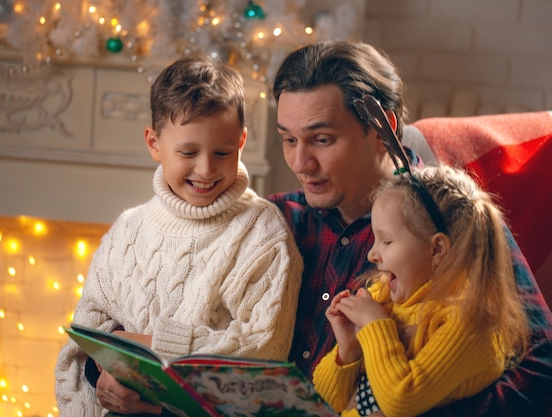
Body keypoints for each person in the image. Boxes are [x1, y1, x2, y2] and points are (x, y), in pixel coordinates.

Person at [268, 40, 552, 416]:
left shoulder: (451, 218)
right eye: (288, 139)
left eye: (322, 140)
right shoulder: (278, 219)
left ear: (383, 129)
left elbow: (540, 369)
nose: (300, 162)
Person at [55, 55, 303, 416]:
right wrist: (100, 379)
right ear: (154, 144)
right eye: (188, 152)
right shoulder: (128, 230)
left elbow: (264, 352)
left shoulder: (262, 233)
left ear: (242, 141)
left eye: (222, 152)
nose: (205, 168)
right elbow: (82, 345)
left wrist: (152, 346)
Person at [313, 164, 530, 416]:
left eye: (387, 241)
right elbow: (320, 402)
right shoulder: (385, 297)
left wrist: (375, 327)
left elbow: (401, 400)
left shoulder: (470, 323)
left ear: (436, 249)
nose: (372, 254)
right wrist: (348, 349)